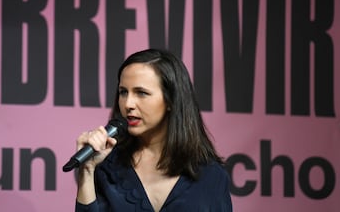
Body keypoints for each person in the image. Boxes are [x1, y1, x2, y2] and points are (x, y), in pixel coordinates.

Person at [74, 48, 232, 211]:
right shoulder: (104, 164)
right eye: (123, 92)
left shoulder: (212, 175)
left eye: (141, 93)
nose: (128, 104)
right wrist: (86, 171)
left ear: (171, 100)